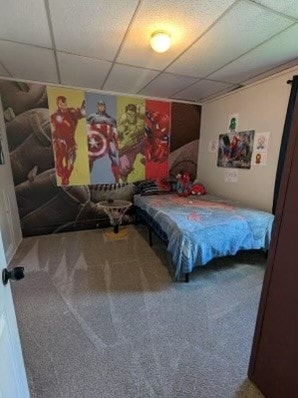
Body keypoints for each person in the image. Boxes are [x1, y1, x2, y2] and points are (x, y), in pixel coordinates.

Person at [50, 96, 85, 185]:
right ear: (58, 105)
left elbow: (79, 114)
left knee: (71, 161)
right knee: (59, 164)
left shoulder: (71, 112)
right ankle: (60, 170)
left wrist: (82, 110)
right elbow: (54, 122)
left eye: (64, 103)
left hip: (71, 142)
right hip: (59, 140)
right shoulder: (55, 116)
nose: (63, 106)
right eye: (61, 104)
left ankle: (65, 179)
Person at [86, 101, 121, 182]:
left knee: (114, 157)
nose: (101, 107)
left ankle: (118, 179)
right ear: (98, 106)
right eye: (100, 105)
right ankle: (87, 177)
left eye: (103, 105)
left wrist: (116, 140)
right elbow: (88, 128)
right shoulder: (92, 117)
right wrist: (90, 138)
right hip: (96, 141)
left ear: (105, 106)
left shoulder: (111, 119)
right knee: (89, 158)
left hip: (109, 140)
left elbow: (115, 131)